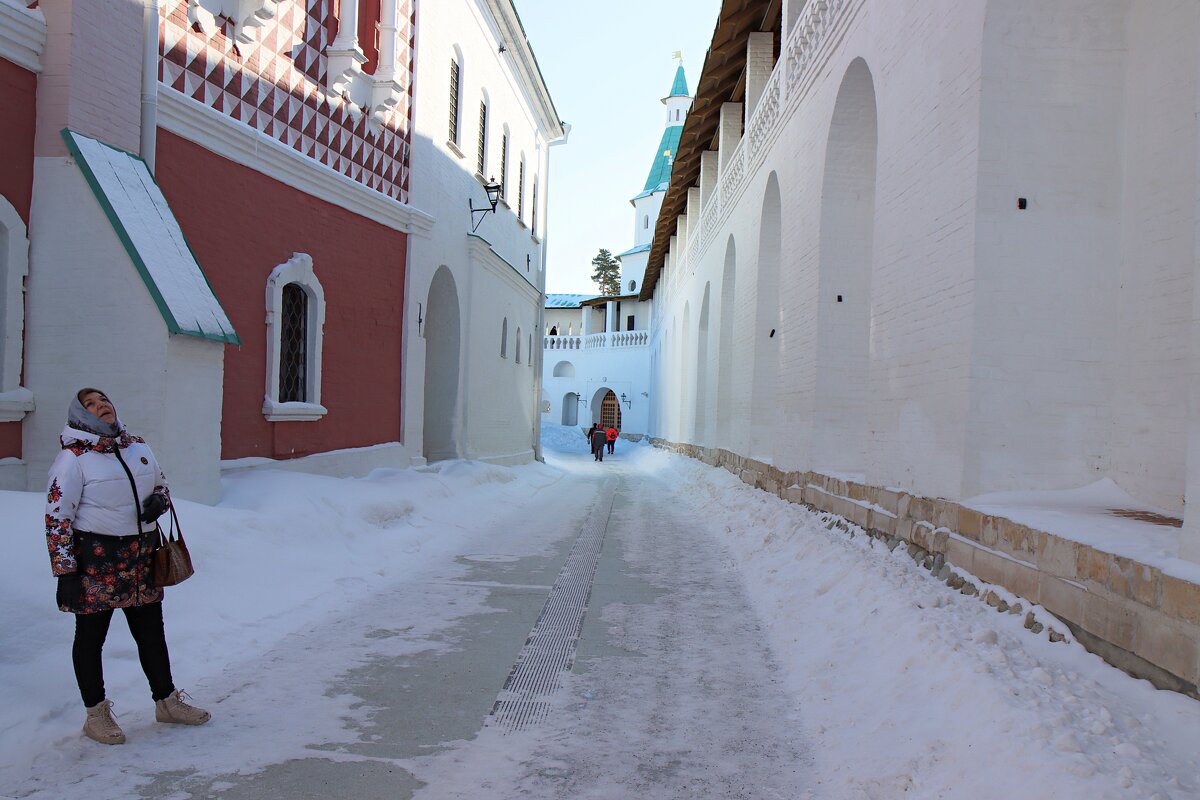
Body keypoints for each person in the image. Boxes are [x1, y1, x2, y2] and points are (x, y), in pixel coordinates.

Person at [46, 388, 210, 745]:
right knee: (90, 639)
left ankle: (166, 702)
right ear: (80, 416)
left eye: (103, 400)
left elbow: (162, 483)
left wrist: (159, 502)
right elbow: (57, 517)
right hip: (97, 562)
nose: (100, 405)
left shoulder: (137, 446)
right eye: (90, 404)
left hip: (142, 557)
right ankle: (96, 715)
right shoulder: (73, 458)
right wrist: (65, 572)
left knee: (152, 633)